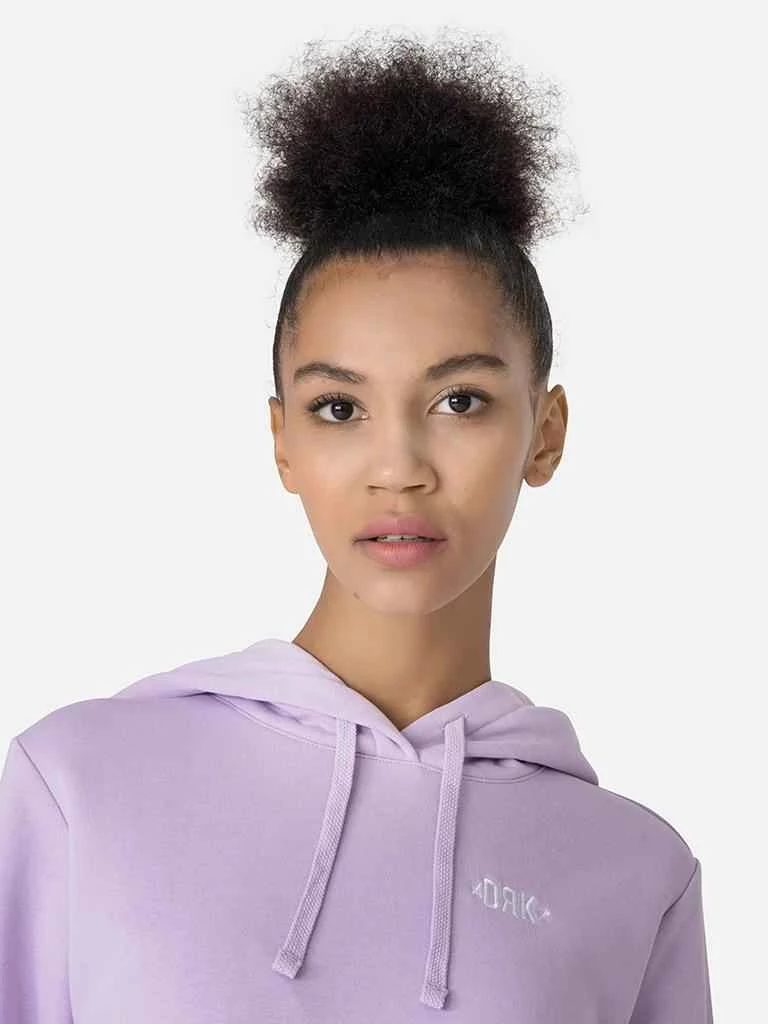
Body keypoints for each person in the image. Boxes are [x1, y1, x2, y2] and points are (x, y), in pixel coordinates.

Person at [0, 27, 713, 1023]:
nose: (399, 467)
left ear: (544, 434)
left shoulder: (635, 874)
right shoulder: (77, 786)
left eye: (460, 401)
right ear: (283, 442)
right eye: (340, 408)